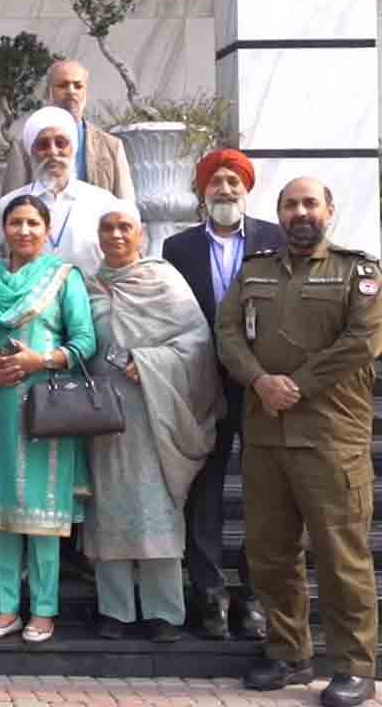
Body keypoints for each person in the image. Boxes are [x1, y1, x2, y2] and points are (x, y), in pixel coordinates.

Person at [217, 177, 381, 707]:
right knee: (271, 553)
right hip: (266, 435)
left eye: (311, 203)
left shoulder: (358, 272)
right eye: (291, 204)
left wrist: (297, 385)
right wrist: (260, 381)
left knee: (341, 556)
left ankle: (354, 666)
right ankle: (289, 652)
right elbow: (227, 334)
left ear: (329, 211)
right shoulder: (254, 271)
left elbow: (362, 343)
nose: (300, 212)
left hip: (331, 437)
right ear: (279, 213)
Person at [161, 148, 282, 641]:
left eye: (234, 181)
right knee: (205, 487)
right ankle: (209, 592)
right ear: (202, 190)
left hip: (262, 382)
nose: (226, 189)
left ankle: (254, 596)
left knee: (264, 488)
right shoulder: (178, 247)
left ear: (247, 188)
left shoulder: (275, 240)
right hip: (202, 381)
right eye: (217, 181)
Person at [0, 193, 95, 646]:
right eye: (15, 222)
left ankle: (43, 610)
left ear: (47, 229)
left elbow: (85, 341)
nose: (23, 231)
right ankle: (5, 608)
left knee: (41, 516)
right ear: (4, 229)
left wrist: (40, 360)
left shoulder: (64, 276)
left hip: (46, 410)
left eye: (32, 223)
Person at [84, 205, 219, 643]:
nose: (116, 235)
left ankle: (164, 611)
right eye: (108, 227)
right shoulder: (88, 285)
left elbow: (197, 344)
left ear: (140, 234)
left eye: (124, 227)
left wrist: (149, 363)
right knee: (108, 510)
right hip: (103, 416)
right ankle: (115, 610)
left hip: (155, 413)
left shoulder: (163, 280)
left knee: (157, 509)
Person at [0, 106, 120, 278]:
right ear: (31, 152)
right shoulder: (6, 206)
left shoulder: (103, 203)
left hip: (89, 294)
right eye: (43, 145)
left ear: (73, 148)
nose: (53, 152)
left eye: (61, 143)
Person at [3, 59, 135, 200]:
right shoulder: (23, 149)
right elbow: (11, 204)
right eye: (63, 85)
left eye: (78, 86)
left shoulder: (111, 147)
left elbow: (126, 206)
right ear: (48, 93)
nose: (71, 91)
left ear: (85, 92)